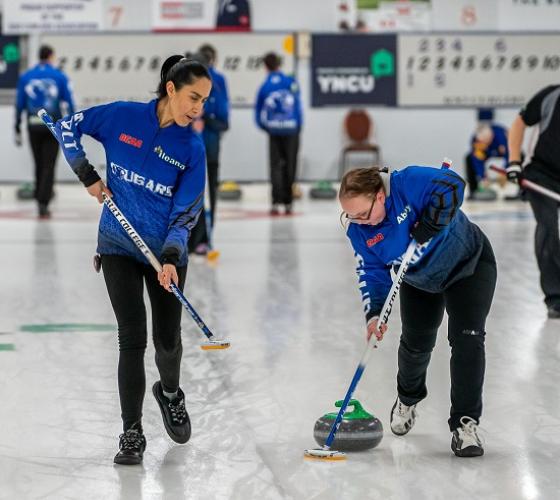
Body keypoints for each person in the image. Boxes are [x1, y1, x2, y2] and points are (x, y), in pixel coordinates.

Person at [52, 55, 211, 465]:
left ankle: (170, 393)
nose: (198, 109)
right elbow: (66, 126)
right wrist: (87, 174)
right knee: (131, 337)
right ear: (171, 89)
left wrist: (173, 257)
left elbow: (186, 214)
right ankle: (131, 432)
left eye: (205, 101)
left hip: (165, 256)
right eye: (193, 97)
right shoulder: (122, 117)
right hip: (117, 244)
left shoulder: (192, 148)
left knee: (167, 341)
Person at [339, 165, 497, 457]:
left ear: (380, 196)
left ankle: (465, 423)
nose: (360, 221)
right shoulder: (359, 231)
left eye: (364, 213)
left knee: (467, 339)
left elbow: (452, 185)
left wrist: (432, 222)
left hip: (469, 266)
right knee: (417, 344)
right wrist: (375, 315)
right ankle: (407, 399)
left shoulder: (407, 183)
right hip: (418, 280)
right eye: (352, 216)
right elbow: (372, 273)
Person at [507, 85, 560, 319]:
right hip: (542, 174)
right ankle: (555, 297)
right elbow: (520, 123)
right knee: (549, 227)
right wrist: (514, 161)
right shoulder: (552, 95)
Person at [15, 44, 75, 218]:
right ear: (50, 56)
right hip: (52, 126)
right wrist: (71, 125)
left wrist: (17, 125)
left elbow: (20, 104)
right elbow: (69, 102)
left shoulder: (26, 76)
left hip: (32, 125)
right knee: (49, 164)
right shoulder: (59, 76)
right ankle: (43, 201)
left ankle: (39, 196)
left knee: (38, 162)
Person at [187, 45, 229, 256]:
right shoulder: (185, 79)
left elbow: (223, 118)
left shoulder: (217, 82)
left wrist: (206, 117)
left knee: (206, 190)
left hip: (208, 145)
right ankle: (186, 238)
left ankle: (203, 238)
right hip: (186, 147)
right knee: (185, 191)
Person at [255, 52, 302, 215]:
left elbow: (258, 111)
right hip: (291, 129)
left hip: (273, 130)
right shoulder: (290, 81)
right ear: (279, 64)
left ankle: (275, 201)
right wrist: (298, 126)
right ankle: (288, 201)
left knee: (275, 165)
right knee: (290, 164)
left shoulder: (265, 85)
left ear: (266, 67)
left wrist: (265, 126)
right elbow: (298, 106)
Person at [464, 108, 508, 200]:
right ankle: (473, 191)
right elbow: (477, 159)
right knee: (469, 158)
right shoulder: (477, 140)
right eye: (483, 142)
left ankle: (521, 191)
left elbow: (509, 154)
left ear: (491, 136)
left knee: (520, 156)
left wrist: (504, 171)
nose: (485, 144)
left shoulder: (501, 135)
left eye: (487, 141)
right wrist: (483, 177)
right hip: (487, 154)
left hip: (502, 152)